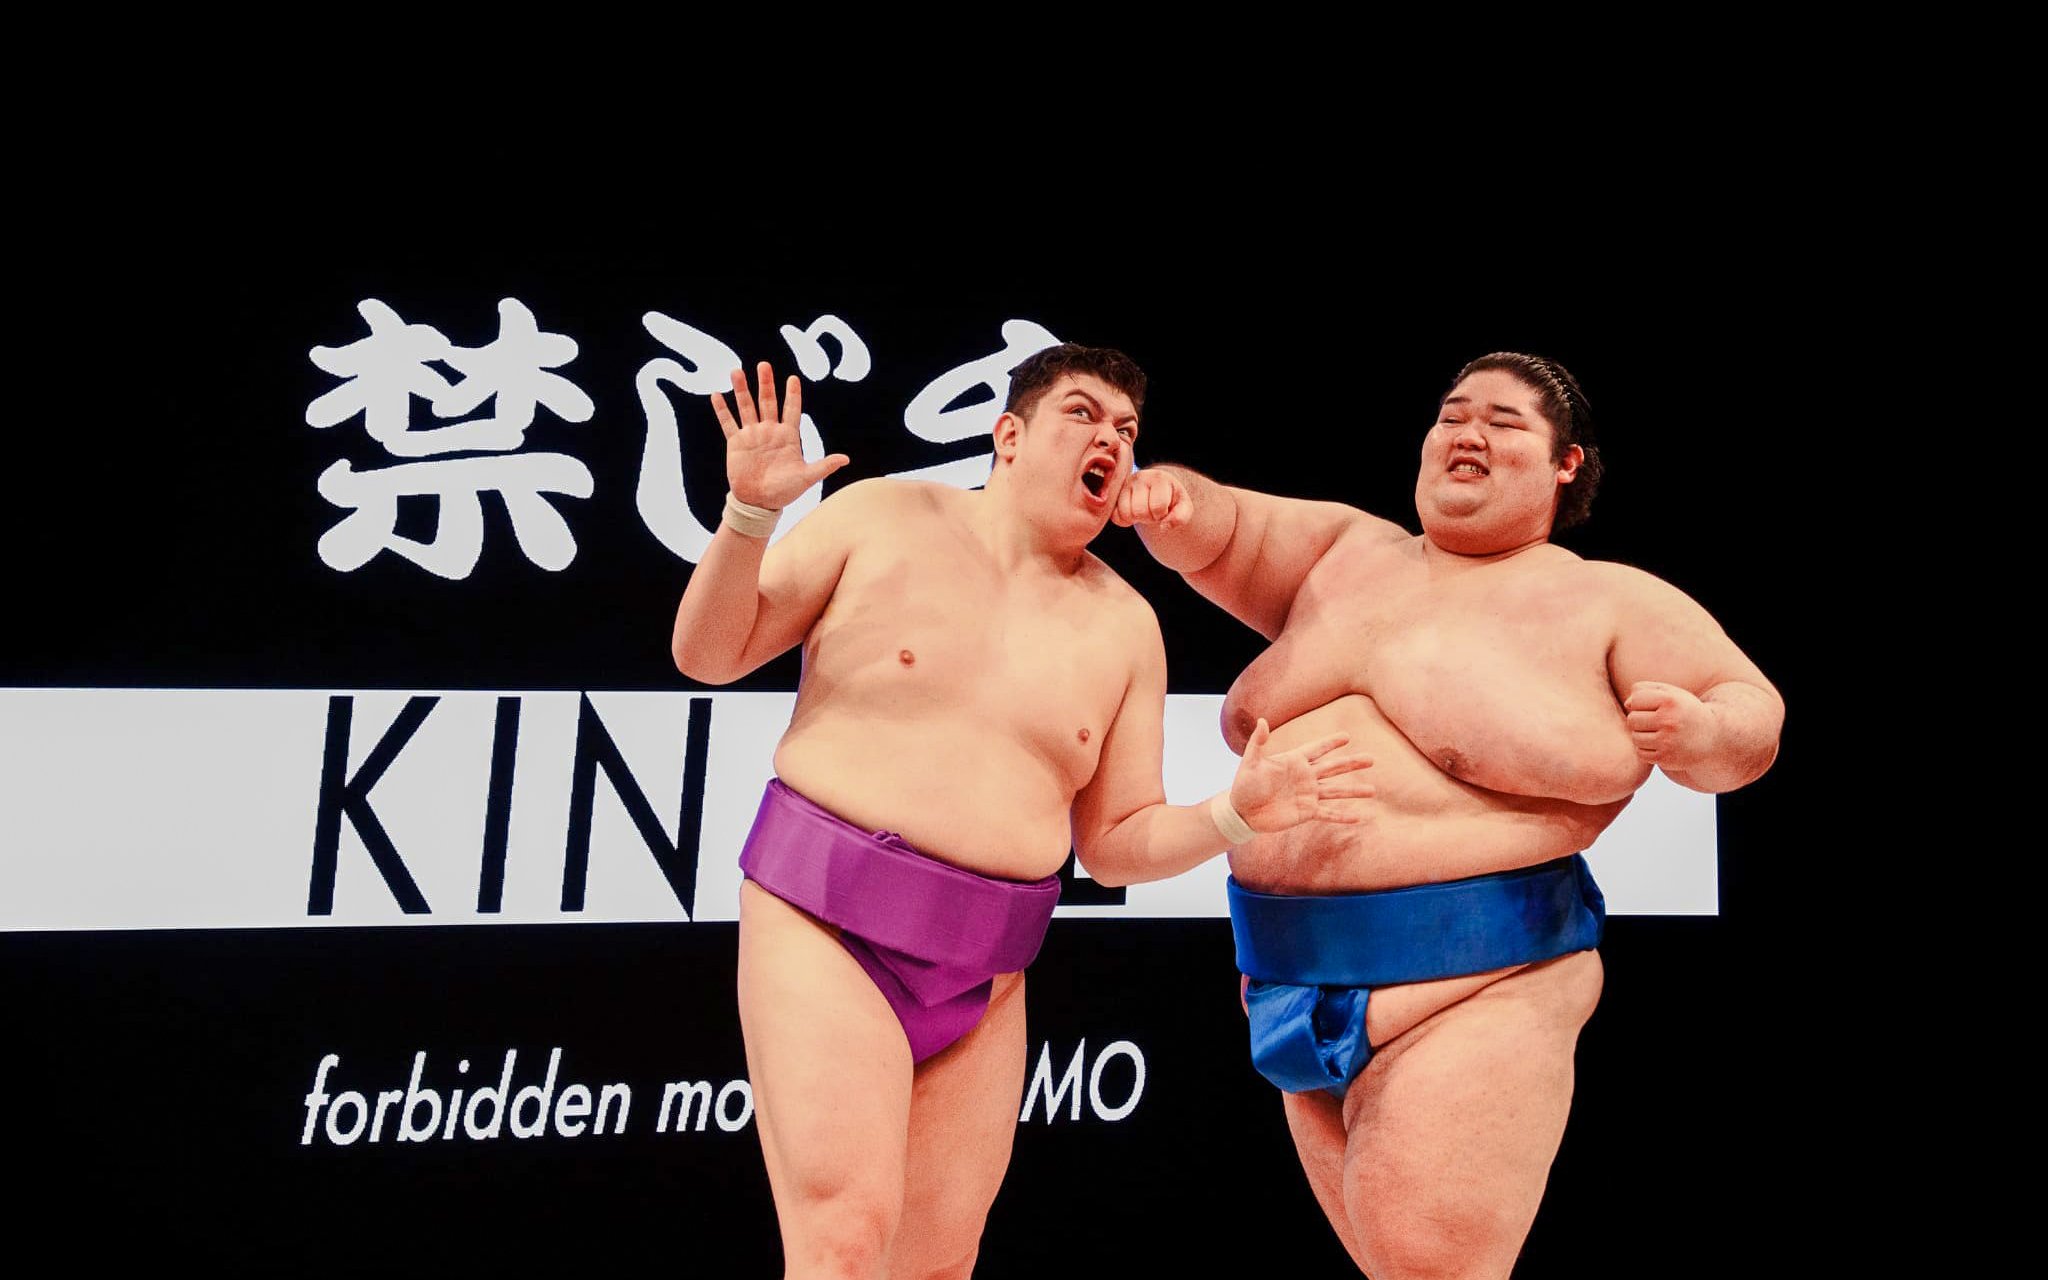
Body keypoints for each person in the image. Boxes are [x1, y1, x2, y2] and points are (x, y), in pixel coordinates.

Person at [671, 345, 1372, 1280]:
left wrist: (1231, 816)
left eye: (1127, 431)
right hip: (825, 920)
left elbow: (1117, 846)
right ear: (1009, 435)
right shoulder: (882, 516)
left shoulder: (1127, 626)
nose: (1111, 442)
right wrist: (751, 516)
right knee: (842, 1239)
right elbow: (709, 655)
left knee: (938, 1264)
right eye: (1083, 415)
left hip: (988, 973)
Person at [1116, 352, 1783, 1278]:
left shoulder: (1606, 599)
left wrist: (1703, 729)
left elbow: (1752, 716)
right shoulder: (1346, 556)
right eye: (1453, 413)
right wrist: (1173, 503)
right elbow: (1223, 529)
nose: (1468, 432)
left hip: (1477, 975)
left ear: (1567, 465)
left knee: (1433, 1267)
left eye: (1505, 422)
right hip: (1285, 970)